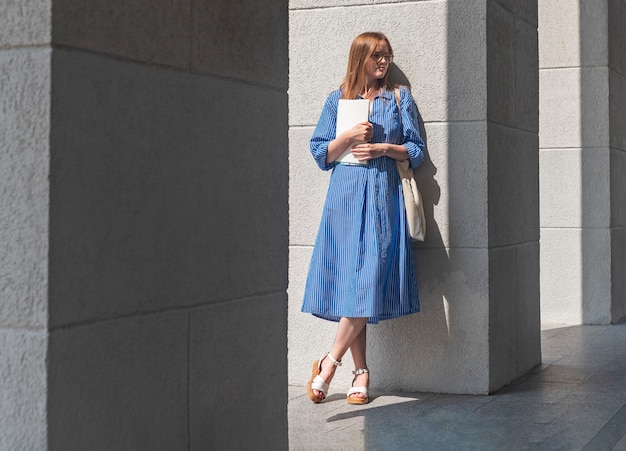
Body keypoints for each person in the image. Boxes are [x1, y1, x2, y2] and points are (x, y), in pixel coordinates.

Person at [302, 31, 425, 405]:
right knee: (350, 284)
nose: (383, 62)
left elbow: (416, 151)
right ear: (360, 58)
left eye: (387, 55)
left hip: (382, 201)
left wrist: (385, 148)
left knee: (369, 278)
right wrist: (350, 136)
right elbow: (320, 152)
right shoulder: (336, 99)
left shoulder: (398, 97)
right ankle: (361, 373)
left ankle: (329, 361)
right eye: (376, 56)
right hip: (343, 198)